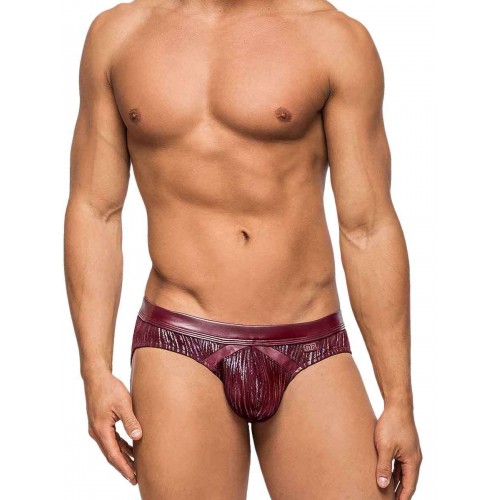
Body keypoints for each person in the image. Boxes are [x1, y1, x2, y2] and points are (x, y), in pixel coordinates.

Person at [64, 0, 422, 498]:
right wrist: (95, 371)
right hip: (179, 340)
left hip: (309, 338)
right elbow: (95, 210)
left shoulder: (332, 37)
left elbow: (368, 226)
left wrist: (398, 399)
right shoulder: (119, 35)